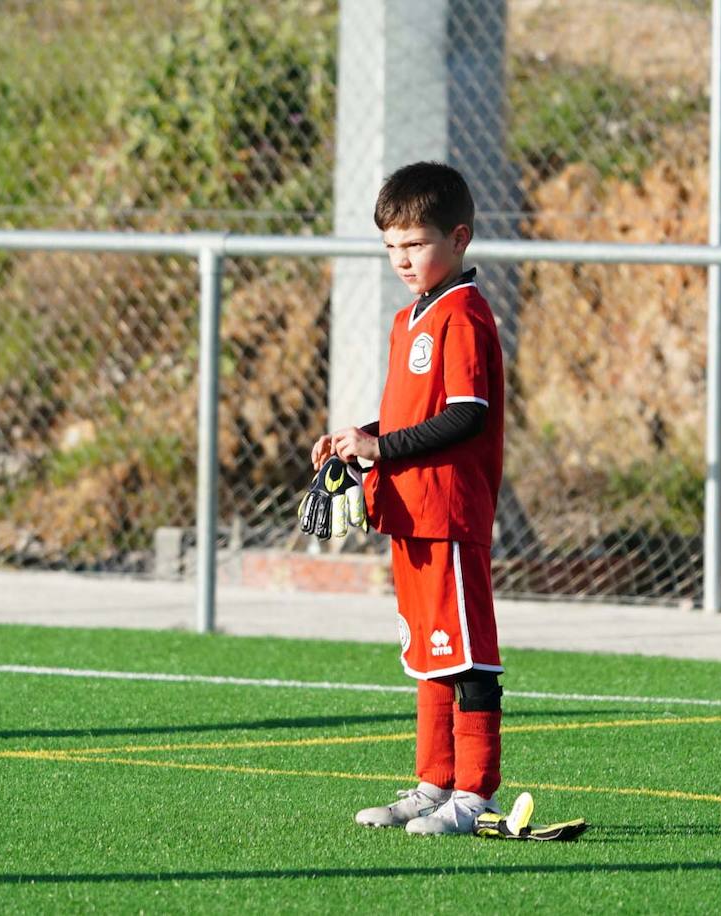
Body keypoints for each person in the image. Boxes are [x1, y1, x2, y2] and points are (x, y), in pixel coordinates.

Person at [311, 161, 506, 836]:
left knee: (470, 658)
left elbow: (466, 415)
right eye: (392, 246)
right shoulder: (409, 320)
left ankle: (475, 792)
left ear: (458, 239)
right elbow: (409, 415)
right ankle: (435, 782)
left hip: (449, 512)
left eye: (415, 244)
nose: (402, 258)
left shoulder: (465, 315)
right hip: (411, 513)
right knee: (428, 654)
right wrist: (360, 437)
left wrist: (382, 450)